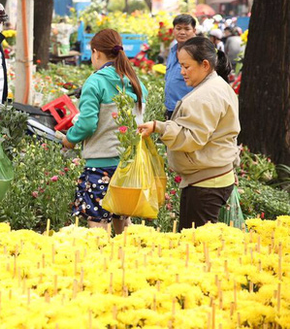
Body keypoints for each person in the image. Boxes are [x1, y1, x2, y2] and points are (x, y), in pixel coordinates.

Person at [138, 37, 238, 230]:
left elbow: (191, 139)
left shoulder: (206, 95)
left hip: (206, 182)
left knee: (198, 248)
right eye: (180, 66)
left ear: (205, 65)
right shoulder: (216, 86)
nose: (182, 72)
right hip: (209, 177)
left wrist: (160, 127)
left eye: (186, 66)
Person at [60, 29, 147, 235]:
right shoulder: (135, 81)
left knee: (98, 226)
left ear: (96, 53)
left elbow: (88, 123)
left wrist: (70, 138)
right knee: (123, 221)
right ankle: (126, 263)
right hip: (128, 165)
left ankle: (102, 266)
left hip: (101, 166)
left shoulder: (96, 81)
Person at [164, 14, 197, 120]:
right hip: (171, 108)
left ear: (194, 30)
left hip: (188, 111)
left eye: (187, 29)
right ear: (173, 30)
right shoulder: (173, 50)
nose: (182, 32)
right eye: (178, 28)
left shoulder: (197, 53)